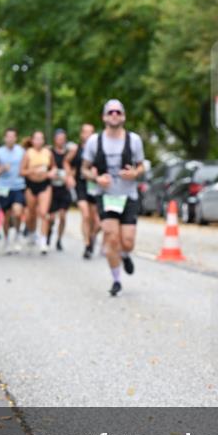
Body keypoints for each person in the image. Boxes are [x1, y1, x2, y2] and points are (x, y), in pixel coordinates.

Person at [80, 100, 146, 296]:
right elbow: (84, 169)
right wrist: (96, 178)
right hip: (106, 196)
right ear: (104, 117)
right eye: (111, 112)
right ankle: (116, 280)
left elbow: (142, 166)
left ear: (124, 116)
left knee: (127, 241)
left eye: (118, 112)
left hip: (128, 195)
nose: (114, 115)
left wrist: (135, 173)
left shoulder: (134, 140)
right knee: (111, 237)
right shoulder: (94, 141)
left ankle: (125, 255)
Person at [20, 130, 56, 254]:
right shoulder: (28, 153)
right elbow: (21, 171)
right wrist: (32, 171)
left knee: (43, 213)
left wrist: (52, 172)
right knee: (31, 213)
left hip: (44, 185)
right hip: (31, 185)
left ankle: (43, 240)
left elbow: (53, 167)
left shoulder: (48, 153)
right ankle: (31, 232)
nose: (39, 141)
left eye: (41, 138)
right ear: (32, 140)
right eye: (36, 138)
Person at [69, 123, 101, 258]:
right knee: (86, 215)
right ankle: (87, 244)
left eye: (90, 132)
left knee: (98, 222)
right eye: (85, 132)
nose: (87, 135)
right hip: (81, 185)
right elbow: (66, 162)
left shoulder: (100, 150)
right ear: (81, 134)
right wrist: (69, 176)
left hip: (95, 186)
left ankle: (92, 236)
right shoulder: (76, 150)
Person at [0, 128, 26, 254]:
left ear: (16, 138)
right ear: (5, 138)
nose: (10, 139)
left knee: (17, 212)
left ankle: (17, 235)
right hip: (3, 187)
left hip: (18, 186)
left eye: (13, 136)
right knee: (6, 215)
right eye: (8, 136)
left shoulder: (22, 151)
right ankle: (7, 240)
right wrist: (1, 169)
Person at [48, 128, 73, 251]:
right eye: (59, 139)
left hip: (64, 189)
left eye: (63, 139)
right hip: (52, 188)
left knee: (62, 216)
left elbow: (73, 168)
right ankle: (48, 234)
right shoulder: (49, 152)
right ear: (55, 139)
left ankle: (59, 240)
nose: (61, 141)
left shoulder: (69, 154)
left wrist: (68, 177)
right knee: (51, 218)